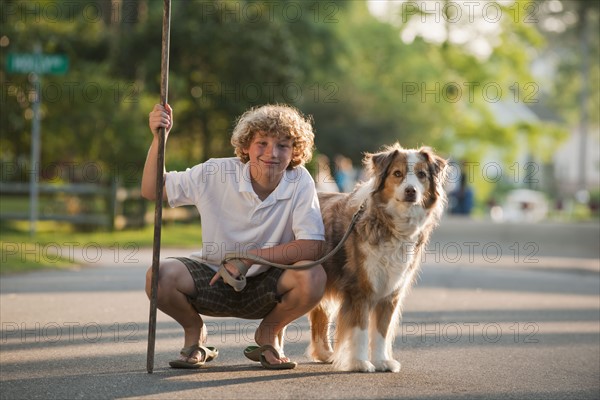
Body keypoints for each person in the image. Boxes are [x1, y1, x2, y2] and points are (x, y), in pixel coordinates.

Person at [143, 103, 326, 370]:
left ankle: (269, 334)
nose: (271, 154)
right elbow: (153, 190)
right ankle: (195, 333)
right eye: (261, 143)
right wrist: (160, 138)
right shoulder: (215, 172)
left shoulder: (300, 180)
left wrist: (250, 258)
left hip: (269, 283)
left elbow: (312, 247)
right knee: (158, 275)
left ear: (296, 151)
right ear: (246, 146)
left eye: (283, 146)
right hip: (214, 277)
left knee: (314, 275)